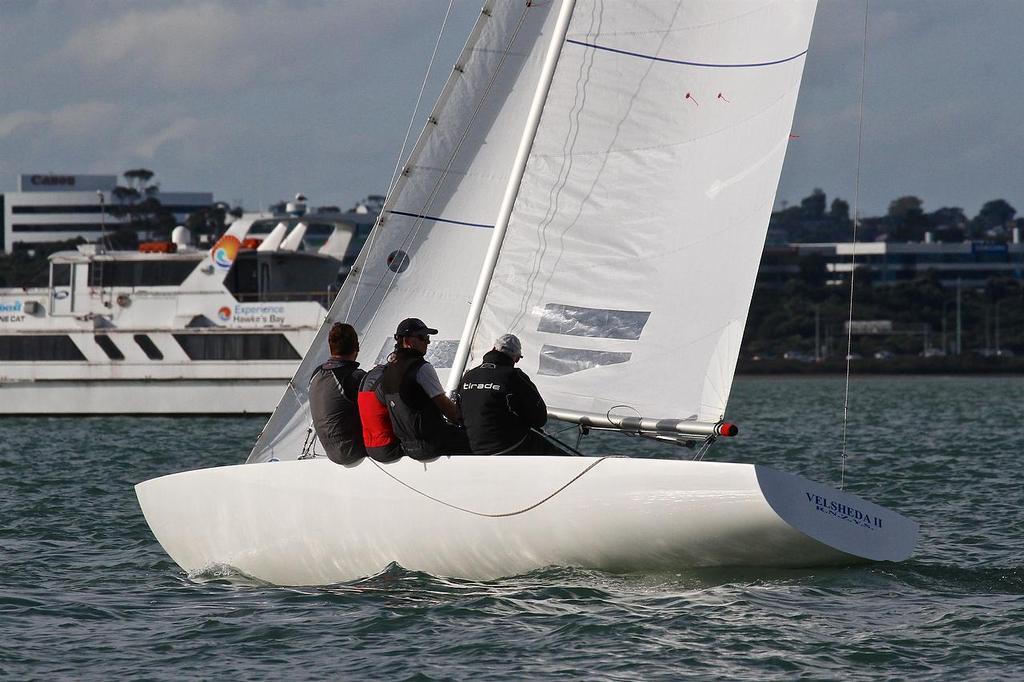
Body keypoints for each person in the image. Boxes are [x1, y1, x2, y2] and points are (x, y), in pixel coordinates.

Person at [456, 333, 557, 455]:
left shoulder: (468, 376)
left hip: (473, 448)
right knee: (558, 456)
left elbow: (459, 414)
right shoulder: (514, 376)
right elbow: (540, 419)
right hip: (507, 447)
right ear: (516, 358)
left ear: (493, 349)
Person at [381, 317, 468, 460]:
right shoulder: (421, 368)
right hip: (431, 445)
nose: (427, 342)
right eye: (422, 337)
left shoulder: (387, 369)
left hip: (407, 447)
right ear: (407, 341)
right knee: (479, 439)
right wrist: (466, 422)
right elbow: (446, 407)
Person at [308, 322, 367, 465]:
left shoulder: (316, 373)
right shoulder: (355, 377)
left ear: (330, 347)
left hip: (330, 451)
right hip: (352, 452)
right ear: (357, 347)